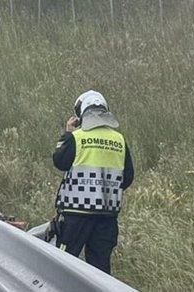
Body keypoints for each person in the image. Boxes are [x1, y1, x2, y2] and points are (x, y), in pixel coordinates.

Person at [52, 90, 135, 275]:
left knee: (64, 265)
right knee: (100, 271)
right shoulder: (120, 140)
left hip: (76, 215)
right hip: (106, 216)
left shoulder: (77, 137)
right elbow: (127, 178)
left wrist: (67, 134)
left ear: (81, 113)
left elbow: (59, 161)